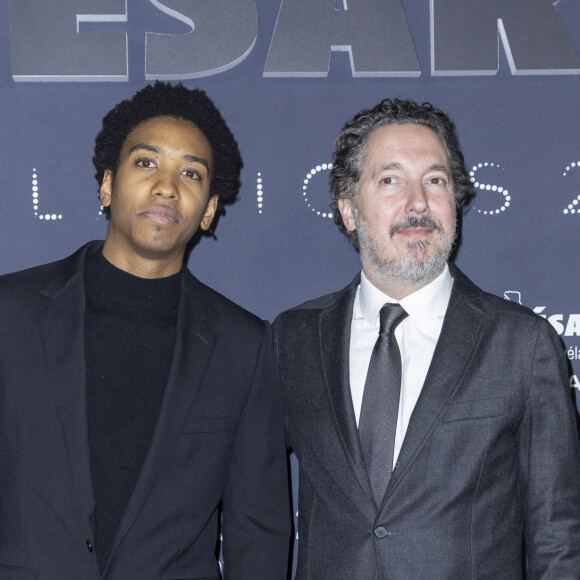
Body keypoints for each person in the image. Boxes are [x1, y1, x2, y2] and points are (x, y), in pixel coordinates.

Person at [274, 98, 580, 579]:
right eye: (391, 180)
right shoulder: (292, 338)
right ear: (349, 210)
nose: (418, 202)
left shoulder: (523, 344)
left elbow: (558, 536)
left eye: (435, 181)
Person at [0, 82, 290, 579]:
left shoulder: (244, 346)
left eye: (191, 173)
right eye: (146, 162)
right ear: (107, 184)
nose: (166, 186)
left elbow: (257, 530)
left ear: (209, 209)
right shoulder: (11, 312)